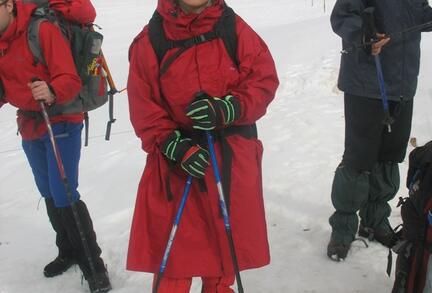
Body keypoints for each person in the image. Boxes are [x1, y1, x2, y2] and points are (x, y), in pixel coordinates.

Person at [126, 0, 279, 291]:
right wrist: (173, 145)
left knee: (222, 257)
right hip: (177, 164)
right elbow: (143, 105)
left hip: (228, 159)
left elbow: (263, 80)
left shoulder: (232, 28)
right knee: (174, 263)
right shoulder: (152, 38)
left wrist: (229, 108)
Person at [327, 0, 432, 261]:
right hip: (366, 83)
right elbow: (343, 16)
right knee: (359, 159)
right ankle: (343, 230)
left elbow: (424, 16)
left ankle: (375, 221)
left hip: (402, 84)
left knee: (389, 156)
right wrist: (363, 34)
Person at [0, 0, 111, 291]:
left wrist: (50, 90)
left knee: (63, 191)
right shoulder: (1, 41)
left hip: (61, 117)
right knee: (48, 190)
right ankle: (68, 250)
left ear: (10, 5)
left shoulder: (42, 30)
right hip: (29, 122)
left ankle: (94, 266)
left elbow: (69, 79)